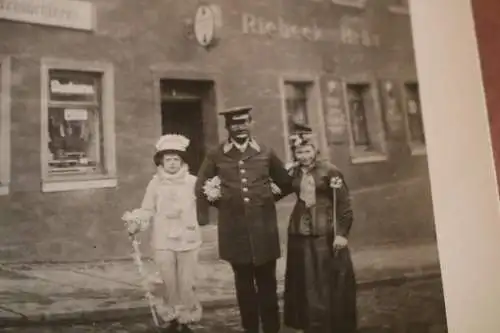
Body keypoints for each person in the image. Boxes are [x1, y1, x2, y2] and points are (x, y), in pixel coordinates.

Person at [195, 106, 293, 333]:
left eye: (243, 122)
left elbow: (286, 183)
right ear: (228, 128)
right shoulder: (216, 154)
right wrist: (221, 202)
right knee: (244, 284)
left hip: (264, 229)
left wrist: (267, 198)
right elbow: (201, 186)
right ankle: (250, 328)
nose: (240, 128)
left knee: (268, 283)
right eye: (234, 124)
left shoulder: (265, 152)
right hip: (234, 230)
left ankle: (271, 329)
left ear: (251, 123)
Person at [123, 134, 203, 333]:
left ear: (183, 161)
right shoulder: (155, 184)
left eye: (177, 159)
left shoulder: (193, 182)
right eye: (168, 160)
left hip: (188, 237)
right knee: (167, 282)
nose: (173, 164)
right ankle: (171, 317)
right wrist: (136, 224)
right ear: (161, 162)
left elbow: (208, 201)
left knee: (186, 282)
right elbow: (147, 209)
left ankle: (186, 320)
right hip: (163, 239)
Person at [283, 123, 357, 333]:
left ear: (315, 150)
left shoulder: (330, 170)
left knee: (325, 279)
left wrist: (342, 234)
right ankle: (309, 323)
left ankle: (330, 324)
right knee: (305, 279)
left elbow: (344, 205)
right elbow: (276, 190)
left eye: (307, 151)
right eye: (299, 152)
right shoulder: (293, 172)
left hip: (325, 232)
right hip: (299, 232)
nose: (304, 156)